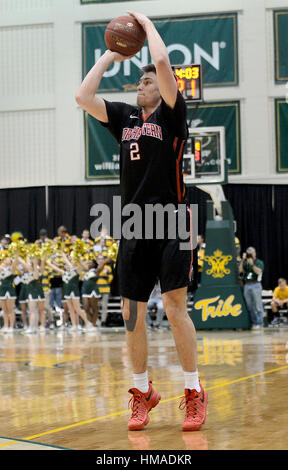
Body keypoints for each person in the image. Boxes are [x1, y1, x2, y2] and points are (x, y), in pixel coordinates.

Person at [76, 11, 208, 432]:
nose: (141, 84)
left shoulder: (172, 116)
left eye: (146, 82)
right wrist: (107, 57)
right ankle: (141, 392)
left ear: (162, 91)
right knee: (131, 313)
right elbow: (82, 97)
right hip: (134, 222)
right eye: (139, 81)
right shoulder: (125, 119)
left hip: (173, 218)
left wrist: (147, 27)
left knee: (173, 307)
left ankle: (193, 391)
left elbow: (164, 65)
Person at [239, 246, 264, 329]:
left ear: (255, 253)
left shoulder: (258, 262)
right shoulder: (245, 262)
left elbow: (259, 271)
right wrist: (243, 260)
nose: (250, 255)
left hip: (256, 284)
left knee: (258, 305)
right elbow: (240, 271)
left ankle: (260, 323)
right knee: (250, 306)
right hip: (247, 285)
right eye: (248, 253)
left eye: (251, 253)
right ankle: (254, 322)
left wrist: (252, 264)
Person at [0, 255, 18, 332]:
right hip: (2, 290)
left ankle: (11, 326)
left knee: (11, 309)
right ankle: (5, 325)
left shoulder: (11, 269)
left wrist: (16, 256)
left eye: (8, 259)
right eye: (5, 259)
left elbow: (14, 265)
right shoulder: (1, 269)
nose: (6, 260)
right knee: (4, 310)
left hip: (10, 289)